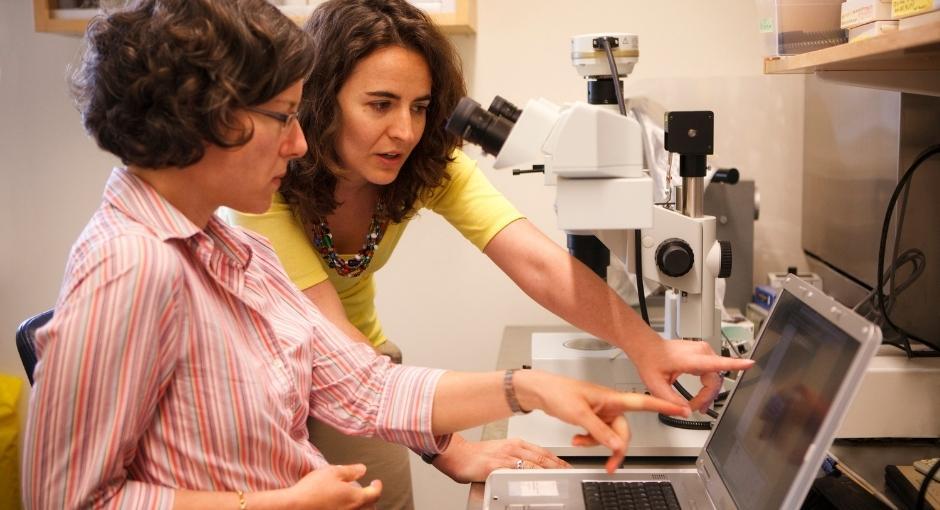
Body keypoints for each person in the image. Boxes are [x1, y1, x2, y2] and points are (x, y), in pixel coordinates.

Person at [21, 1, 693, 509]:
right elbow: (68, 501)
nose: (297, 144)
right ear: (210, 116)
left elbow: (360, 384)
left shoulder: (226, 245)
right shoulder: (134, 264)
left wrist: (526, 386)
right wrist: (270, 505)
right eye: (285, 118)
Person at [226, 0, 754, 507]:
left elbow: (534, 260)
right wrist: (452, 446)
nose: (405, 132)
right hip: (267, 386)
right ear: (321, 100)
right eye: (380, 104)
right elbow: (328, 342)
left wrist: (647, 347)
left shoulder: (424, 164)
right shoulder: (264, 184)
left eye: (420, 107)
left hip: (367, 366)